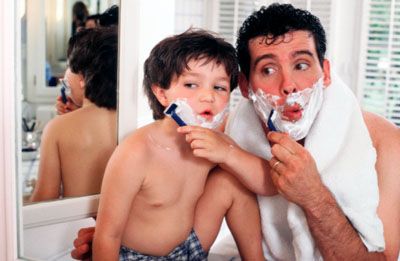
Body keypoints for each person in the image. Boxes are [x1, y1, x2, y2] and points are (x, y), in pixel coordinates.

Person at [72, 4, 400, 260]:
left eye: (301, 65)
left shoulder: (384, 144)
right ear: (245, 87)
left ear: (325, 73)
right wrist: (115, 236)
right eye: (268, 70)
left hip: (193, 249)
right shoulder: (212, 127)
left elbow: (380, 259)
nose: (288, 86)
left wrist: (312, 194)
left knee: (232, 180)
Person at [92, 29, 265, 260]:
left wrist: (229, 154)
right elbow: (107, 235)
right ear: (162, 94)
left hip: (188, 248)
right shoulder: (137, 151)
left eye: (219, 87)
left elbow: (269, 186)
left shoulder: (216, 143)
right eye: (192, 85)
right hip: (136, 256)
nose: (208, 96)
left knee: (232, 181)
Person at [30, 27, 118, 201]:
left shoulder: (57, 129)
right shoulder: (128, 119)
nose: (65, 75)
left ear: (83, 79)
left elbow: (45, 199)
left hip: (76, 226)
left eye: (69, 66)